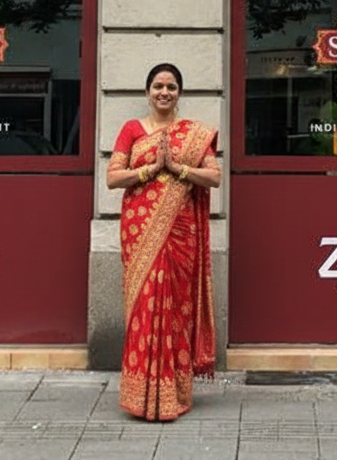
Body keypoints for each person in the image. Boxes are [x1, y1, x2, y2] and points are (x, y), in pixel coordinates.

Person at [106, 62, 221, 421]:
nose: (164, 92)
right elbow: (113, 178)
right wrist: (150, 170)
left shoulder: (195, 135)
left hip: (180, 233)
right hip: (140, 232)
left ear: (179, 93)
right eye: (158, 86)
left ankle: (175, 394)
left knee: (175, 310)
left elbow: (214, 178)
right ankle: (140, 396)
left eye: (171, 87)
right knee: (146, 305)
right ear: (147, 91)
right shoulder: (132, 129)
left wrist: (179, 169)